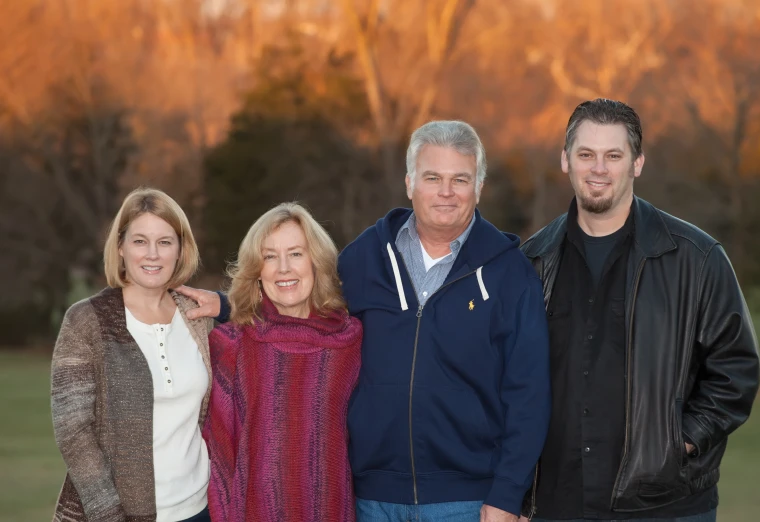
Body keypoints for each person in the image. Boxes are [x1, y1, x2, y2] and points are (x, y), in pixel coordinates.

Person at [179, 121, 551, 521]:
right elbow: (303, 309)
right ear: (410, 183)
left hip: (467, 501)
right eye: (432, 177)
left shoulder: (510, 274)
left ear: (478, 187)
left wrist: (508, 496)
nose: (446, 192)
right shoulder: (365, 258)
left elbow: (529, 394)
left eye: (460, 179)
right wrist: (228, 306)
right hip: (370, 500)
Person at [519, 99, 760, 522]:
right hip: (557, 505)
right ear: (565, 160)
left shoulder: (697, 258)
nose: (599, 168)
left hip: (664, 506)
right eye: (586, 154)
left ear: (637, 164)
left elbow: (735, 371)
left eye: (614, 155)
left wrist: (677, 444)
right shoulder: (532, 261)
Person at [51, 188, 214, 522]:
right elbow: (73, 432)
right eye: (140, 241)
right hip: (119, 514)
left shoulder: (199, 317)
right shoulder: (86, 321)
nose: (152, 254)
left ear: (181, 250)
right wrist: (109, 514)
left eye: (165, 242)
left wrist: (225, 303)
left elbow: (266, 305)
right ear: (121, 247)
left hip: (200, 507)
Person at [202, 203, 362, 522]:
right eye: (270, 257)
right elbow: (218, 459)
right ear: (256, 271)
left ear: (316, 263)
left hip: (330, 509)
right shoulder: (231, 345)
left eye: (296, 253)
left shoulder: (349, 342)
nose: (284, 268)